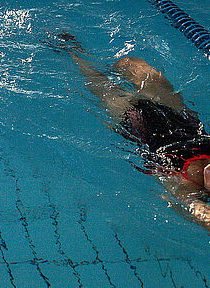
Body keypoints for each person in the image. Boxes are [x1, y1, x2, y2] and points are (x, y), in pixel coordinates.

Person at [53, 32, 210, 228]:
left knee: (98, 82)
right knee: (129, 63)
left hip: (137, 120)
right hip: (177, 116)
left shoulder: (185, 185)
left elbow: (197, 211)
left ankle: (72, 51)